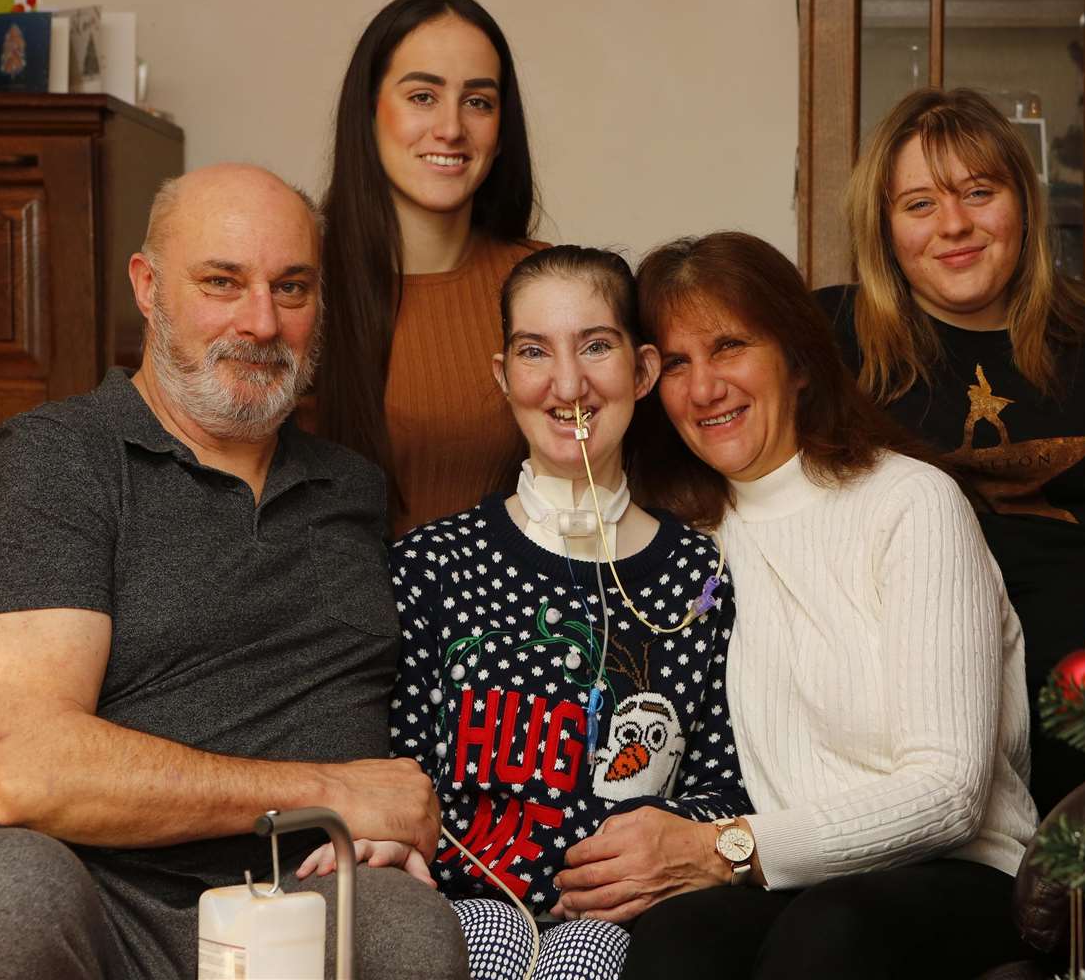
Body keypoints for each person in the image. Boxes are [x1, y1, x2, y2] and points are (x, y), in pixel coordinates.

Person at [0, 164, 465, 979]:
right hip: (84, 896)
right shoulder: (56, 458)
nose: (261, 322)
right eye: (222, 282)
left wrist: (387, 817)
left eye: (292, 288)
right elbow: (30, 770)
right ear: (147, 288)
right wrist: (330, 791)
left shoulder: (352, 490)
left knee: (405, 929)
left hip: (292, 899)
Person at [551, 231, 1039, 980]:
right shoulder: (687, 538)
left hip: (959, 873)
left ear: (800, 361)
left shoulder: (910, 503)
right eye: (676, 363)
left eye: (730, 347)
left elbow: (949, 794)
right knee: (676, 940)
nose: (704, 388)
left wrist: (724, 847)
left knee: (827, 934)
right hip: (786, 881)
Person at [301, 246, 749, 979]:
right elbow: (402, 767)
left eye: (595, 347)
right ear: (504, 377)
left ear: (640, 372)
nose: (567, 382)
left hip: (622, 922)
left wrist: (673, 846)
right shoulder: (431, 565)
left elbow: (723, 783)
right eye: (535, 351)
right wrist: (390, 836)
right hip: (462, 908)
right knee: (481, 939)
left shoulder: (703, 577)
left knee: (589, 953)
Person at [821, 87, 1085, 814]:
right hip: (903, 706)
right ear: (885, 226)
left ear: (1021, 203)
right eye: (920, 204)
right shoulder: (831, 337)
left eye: (978, 192)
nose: (955, 225)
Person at [318, 0, 548, 537]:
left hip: (515, 620)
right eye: (423, 96)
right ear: (370, 108)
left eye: (478, 101)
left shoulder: (548, 288)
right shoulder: (296, 289)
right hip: (327, 619)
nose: (450, 128)